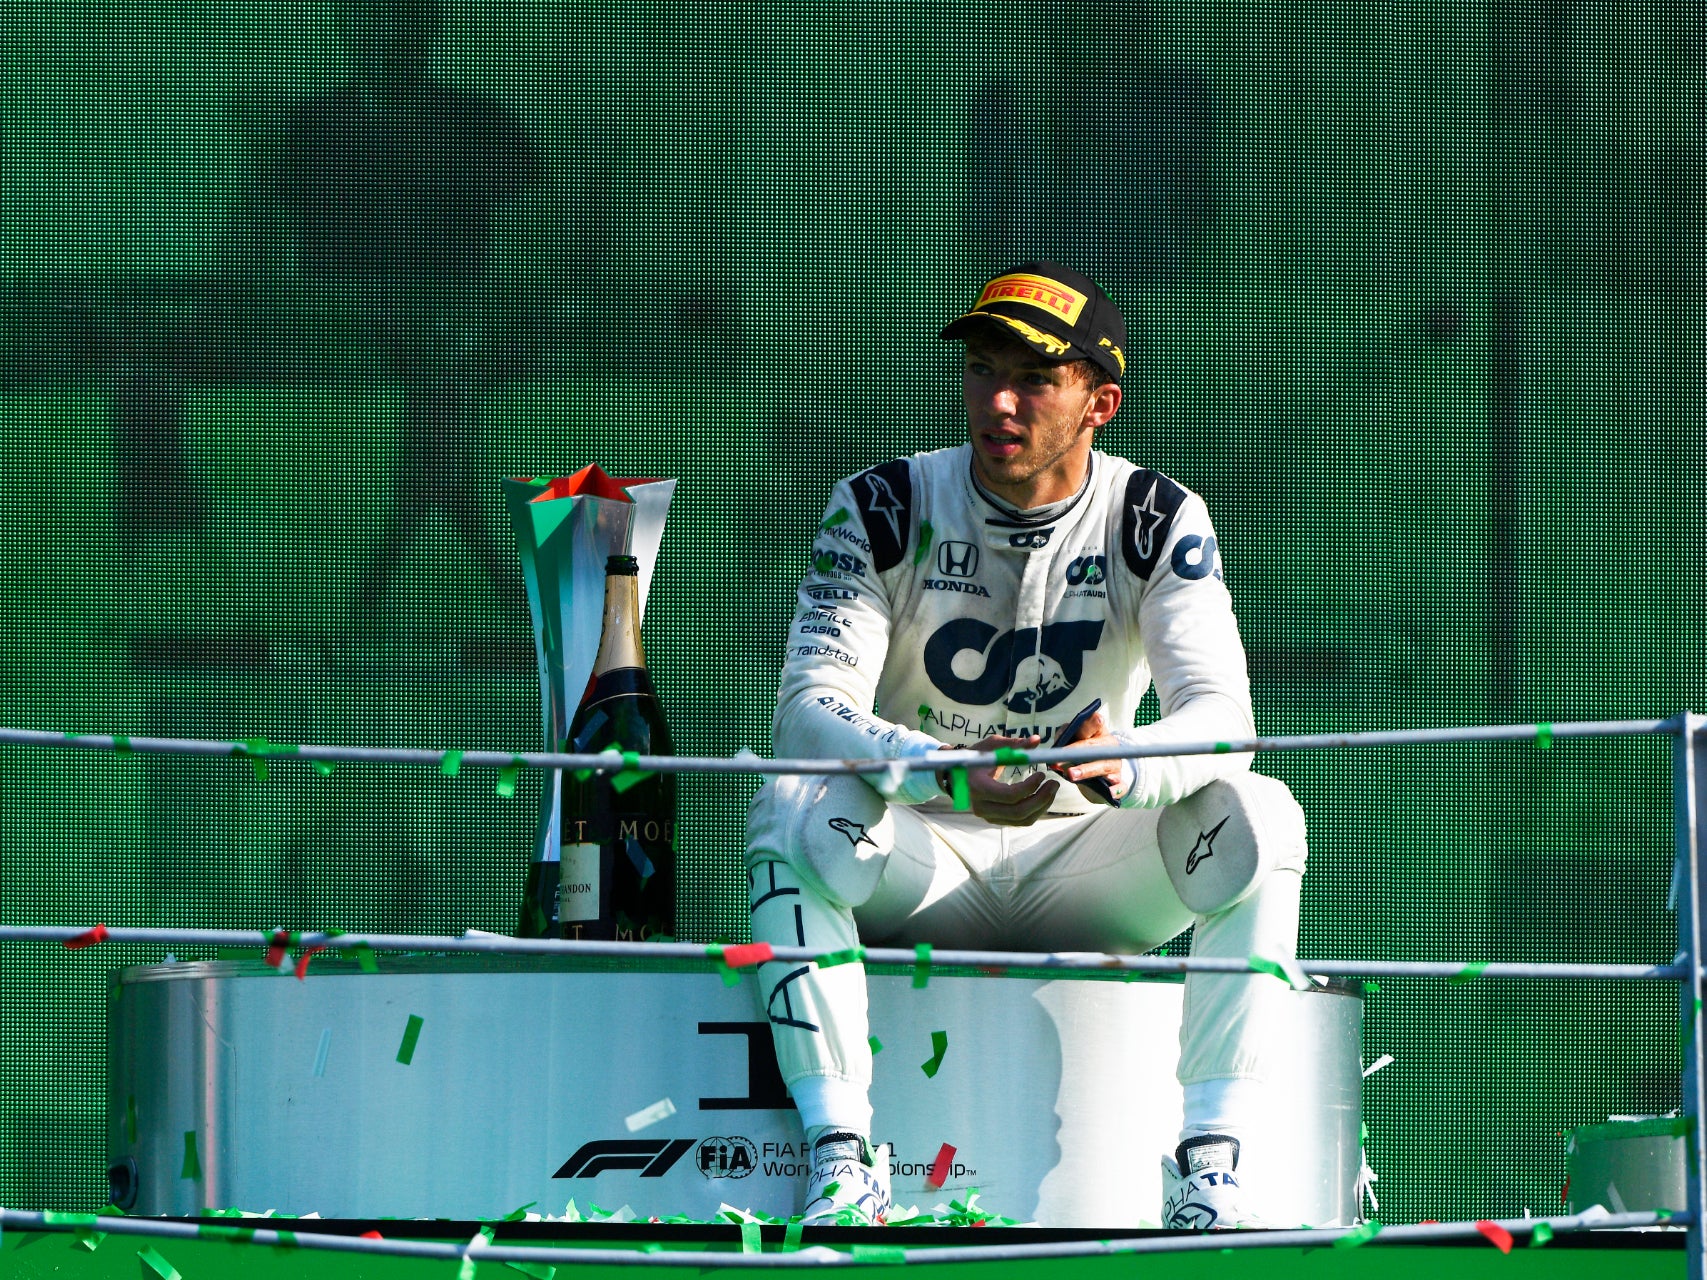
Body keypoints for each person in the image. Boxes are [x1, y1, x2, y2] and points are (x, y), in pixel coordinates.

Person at [744, 262, 1309, 1229]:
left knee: (1261, 816)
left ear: (1101, 403)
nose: (997, 400)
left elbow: (1224, 720)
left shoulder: (1155, 516)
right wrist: (943, 775)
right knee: (793, 806)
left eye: (1035, 379)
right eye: (980, 368)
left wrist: (1126, 764)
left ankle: (1211, 1165)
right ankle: (841, 1160)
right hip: (920, 857)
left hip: (1088, 868)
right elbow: (807, 707)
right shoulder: (883, 502)